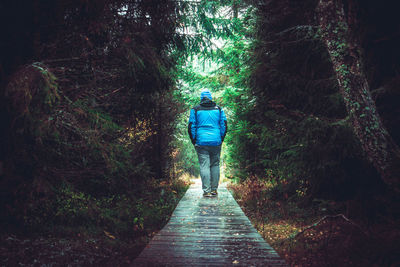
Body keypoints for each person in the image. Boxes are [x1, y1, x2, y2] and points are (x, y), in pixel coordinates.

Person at [188, 89, 227, 197]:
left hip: (201, 142)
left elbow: (191, 126)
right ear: (210, 98)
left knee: (204, 165)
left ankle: (207, 191)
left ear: (201, 98)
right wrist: (221, 138)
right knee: (215, 164)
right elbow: (224, 124)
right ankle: (214, 190)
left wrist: (194, 140)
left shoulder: (195, 109)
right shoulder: (219, 109)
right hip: (216, 141)